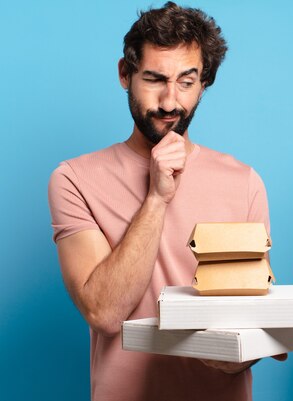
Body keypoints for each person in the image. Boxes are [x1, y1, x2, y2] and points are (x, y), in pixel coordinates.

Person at [48, 2, 281, 400]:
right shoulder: (74, 179)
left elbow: (254, 304)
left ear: (204, 82)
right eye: (154, 79)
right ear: (126, 74)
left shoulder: (244, 182)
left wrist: (244, 356)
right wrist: (157, 196)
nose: (170, 102)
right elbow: (104, 312)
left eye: (186, 82)